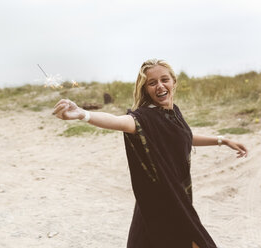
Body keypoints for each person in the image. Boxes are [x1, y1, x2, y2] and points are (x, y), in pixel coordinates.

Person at [52, 59, 247, 248]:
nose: (160, 86)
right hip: (162, 201)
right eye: (152, 83)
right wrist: (83, 114)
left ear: (173, 82)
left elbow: (183, 137)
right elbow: (118, 121)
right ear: (145, 89)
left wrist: (222, 141)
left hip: (174, 196)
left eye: (164, 80)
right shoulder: (144, 118)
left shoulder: (173, 113)